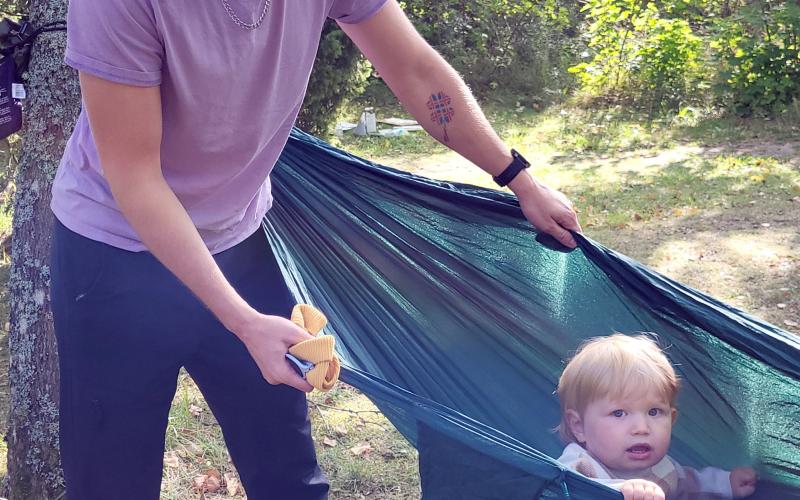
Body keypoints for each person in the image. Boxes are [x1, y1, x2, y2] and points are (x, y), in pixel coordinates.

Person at [51, 0, 582, 498]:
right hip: (112, 258)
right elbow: (136, 178)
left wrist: (518, 179)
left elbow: (415, 70)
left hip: (240, 241)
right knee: (112, 480)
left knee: (288, 473)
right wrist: (242, 321)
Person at [555, 334, 758, 500]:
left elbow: (690, 485)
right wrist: (620, 490)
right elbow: (557, 490)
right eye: (619, 413)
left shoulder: (663, 468)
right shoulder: (577, 465)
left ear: (672, 418)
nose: (642, 428)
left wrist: (726, 484)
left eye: (654, 412)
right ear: (579, 426)